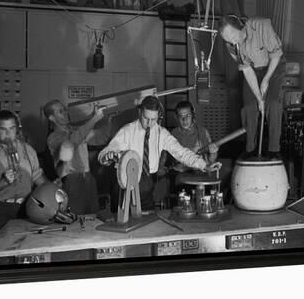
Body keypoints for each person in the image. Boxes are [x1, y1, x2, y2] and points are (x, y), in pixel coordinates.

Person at [98, 96, 221, 210]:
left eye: (153, 119)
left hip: (147, 182)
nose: (149, 123)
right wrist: (107, 156)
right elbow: (105, 152)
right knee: (122, 222)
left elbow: (182, 153)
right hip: (124, 184)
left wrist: (204, 165)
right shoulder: (127, 131)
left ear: (158, 117)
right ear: (140, 113)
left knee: (148, 221)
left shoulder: (162, 134)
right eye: (146, 118)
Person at [0, 110, 47, 244]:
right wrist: (3, 181)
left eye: (12, 128)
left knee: (26, 249)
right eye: (3, 129)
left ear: (17, 129)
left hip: (26, 208)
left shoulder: (28, 150)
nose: (8, 134)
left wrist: (52, 189)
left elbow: (37, 176)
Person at [219, 15, 285, 158]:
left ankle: (274, 150)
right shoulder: (231, 45)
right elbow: (247, 70)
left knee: (272, 104)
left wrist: (266, 79)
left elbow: (276, 55)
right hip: (253, 71)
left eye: (232, 36)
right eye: (227, 40)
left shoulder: (261, 25)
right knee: (249, 107)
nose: (231, 41)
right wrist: (258, 98)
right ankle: (250, 149)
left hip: (273, 66)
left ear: (240, 26)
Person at [44, 100, 109, 215]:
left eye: (64, 109)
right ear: (52, 118)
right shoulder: (53, 138)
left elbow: (101, 137)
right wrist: (94, 118)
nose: (65, 113)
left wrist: (109, 118)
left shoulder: (76, 130)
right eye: (60, 111)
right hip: (72, 181)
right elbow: (73, 141)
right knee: (76, 219)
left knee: (93, 217)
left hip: (88, 178)